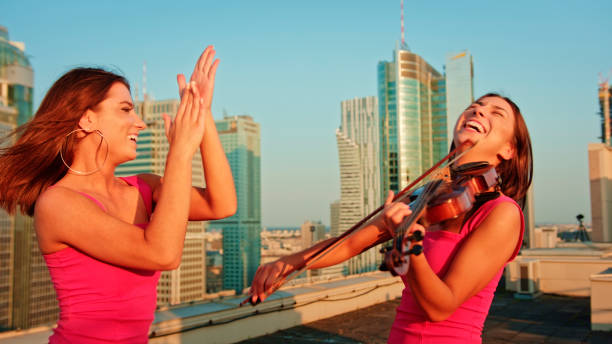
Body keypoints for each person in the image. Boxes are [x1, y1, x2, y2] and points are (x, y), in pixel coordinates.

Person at [249, 93, 532, 343]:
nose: (478, 111)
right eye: (475, 106)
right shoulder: (430, 195)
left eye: (496, 113)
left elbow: (441, 307)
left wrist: (407, 243)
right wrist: (288, 263)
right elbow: (349, 244)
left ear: (509, 150)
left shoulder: (501, 213)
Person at [0, 46, 236, 343]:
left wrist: (202, 113)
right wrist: (179, 152)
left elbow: (222, 204)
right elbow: (161, 253)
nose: (139, 122)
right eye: (125, 110)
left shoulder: (143, 187)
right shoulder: (58, 203)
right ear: (87, 120)